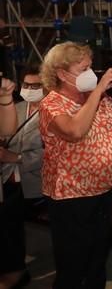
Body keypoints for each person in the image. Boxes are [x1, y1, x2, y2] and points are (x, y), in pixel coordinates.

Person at [38, 42, 112, 289]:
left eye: (91, 67)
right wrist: (98, 91)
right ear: (61, 73)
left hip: (102, 190)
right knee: (73, 263)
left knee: (96, 259)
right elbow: (75, 130)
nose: (91, 74)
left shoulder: (97, 98)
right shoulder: (52, 104)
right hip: (71, 195)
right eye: (83, 69)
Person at [0, 65, 45, 288]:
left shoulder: (53, 112)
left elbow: (51, 154)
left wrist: (15, 157)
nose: (30, 89)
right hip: (8, 176)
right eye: (27, 85)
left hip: (36, 181)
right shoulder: (15, 107)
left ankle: (15, 268)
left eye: (37, 85)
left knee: (9, 207)